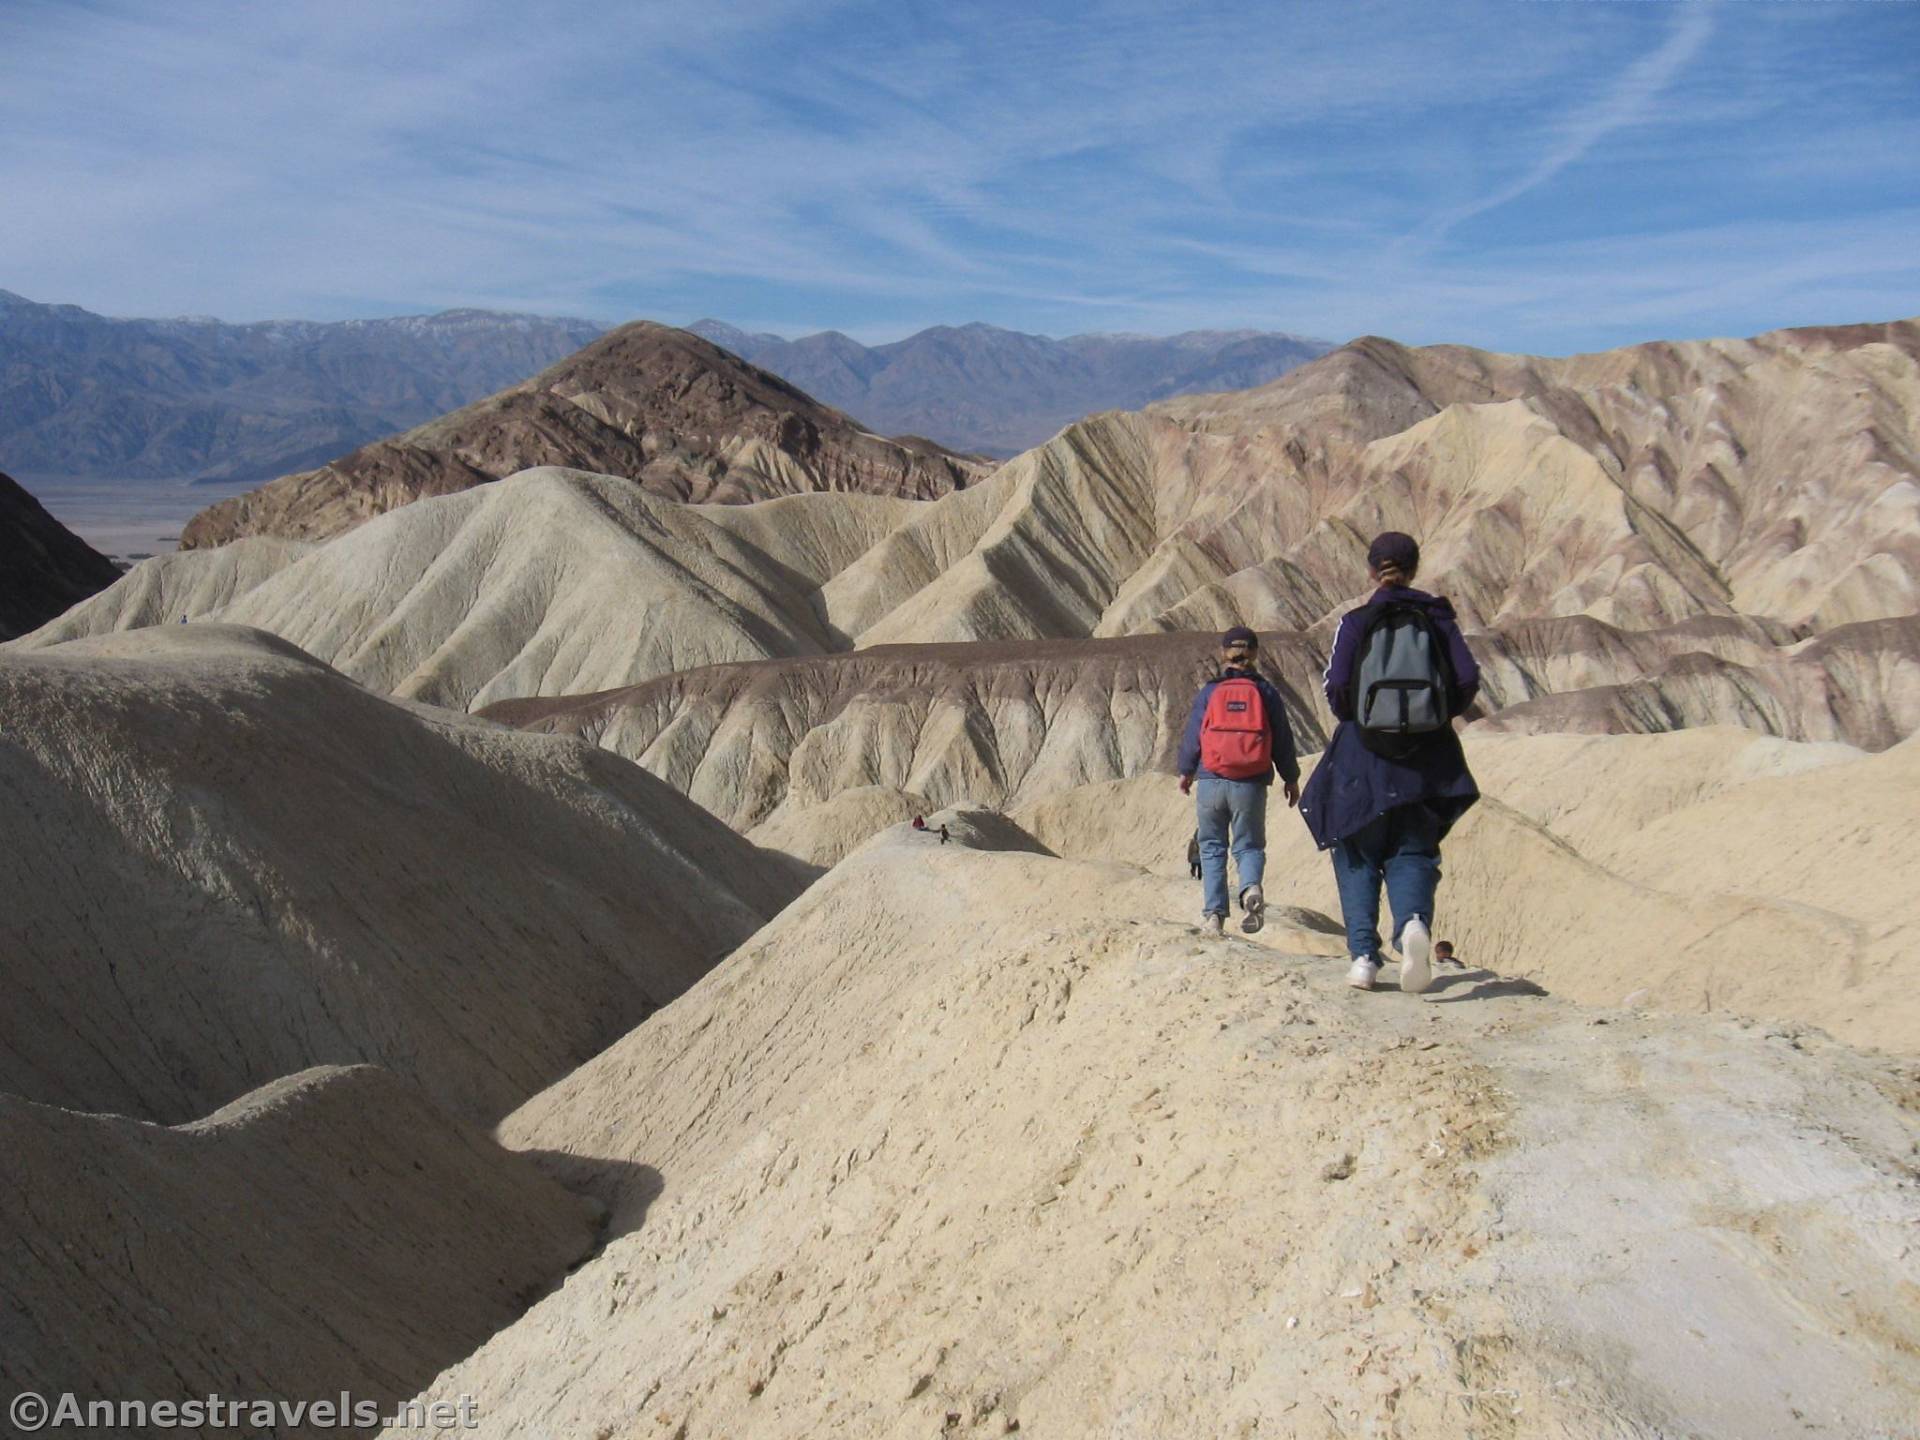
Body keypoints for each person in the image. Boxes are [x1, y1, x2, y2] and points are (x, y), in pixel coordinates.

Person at [1300, 532, 1480, 993]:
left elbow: (1337, 687)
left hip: (1365, 759)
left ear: (1371, 570)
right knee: (1413, 851)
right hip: (1427, 761)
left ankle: (1363, 956)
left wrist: (1363, 721)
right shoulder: (1438, 618)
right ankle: (1413, 926)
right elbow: (1466, 678)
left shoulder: (1357, 622)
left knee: (1356, 850)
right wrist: (1434, 719)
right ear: (1415, 568)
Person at [1176, 626, 1301, 936]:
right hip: (1251, 782)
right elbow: (1282, 739)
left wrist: (1186, 770)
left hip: (1211, 780)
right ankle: (1250, 889)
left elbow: (1194, 734)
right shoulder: (1266, 692)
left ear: (1224, 654)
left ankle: (1214, 917)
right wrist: (1291, 777)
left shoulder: (1210, 691)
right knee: (1249, 846)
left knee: (1212, 847)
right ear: (1255, 653)